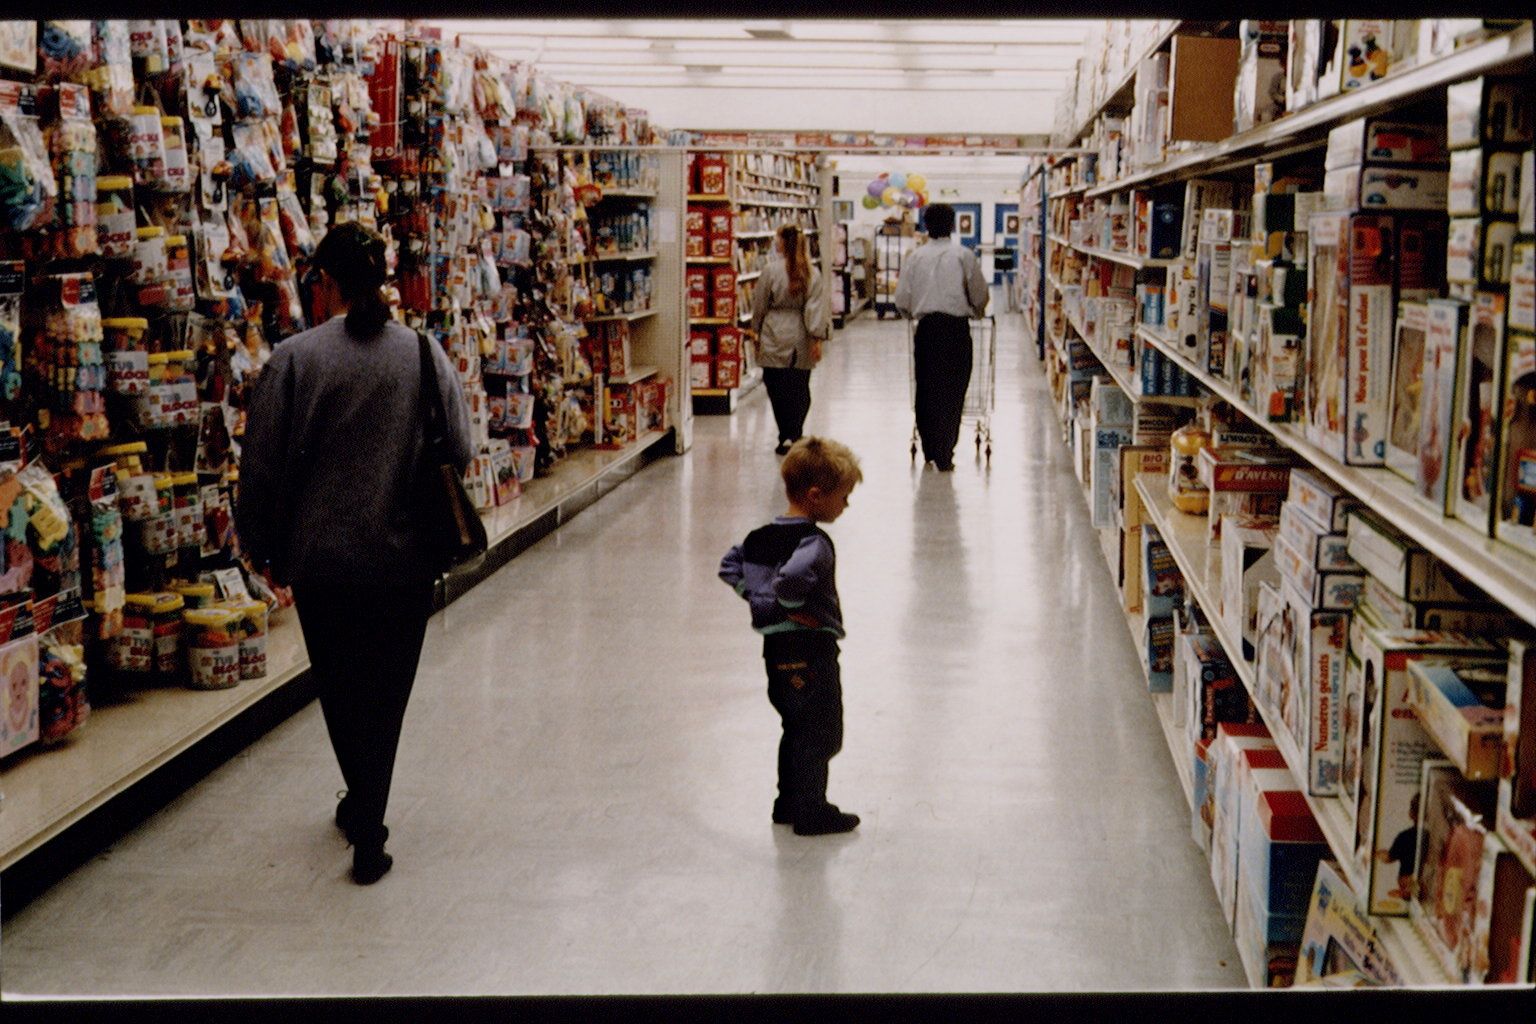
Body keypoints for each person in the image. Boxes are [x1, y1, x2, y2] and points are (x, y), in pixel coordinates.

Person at [236, 222, 473, 885]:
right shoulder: (424, 354)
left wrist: (259, 545)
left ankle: (364, 808)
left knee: (342, 691)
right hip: (405, 559)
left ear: (328, 283)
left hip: (322, 561)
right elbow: (460, 445)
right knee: (387, 694)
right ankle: (369, 816)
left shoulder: (294, 360)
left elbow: (260, 467)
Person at [719, 437, 863, 835]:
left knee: (794, 725)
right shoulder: (813, 542)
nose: (846, 505)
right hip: (811, 647)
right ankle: (811, 810)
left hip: (775, 649)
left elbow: (729, 565)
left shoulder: (759, 536)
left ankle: (787, 801)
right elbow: (793, 579)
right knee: (822, 730)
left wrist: (756, 595)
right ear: (816, 496)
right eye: (843, 496)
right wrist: (791, 604)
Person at [894, 203, 990, 470]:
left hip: (926, 330)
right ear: (953, 225)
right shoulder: (964, 256)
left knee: (926, 387)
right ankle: (946, 449)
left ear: (926, 226)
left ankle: (930, 448)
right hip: (956, 330)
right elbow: (979, 294)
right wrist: (977, 311)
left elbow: (902, 298)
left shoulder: (915, 257)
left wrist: (910, 313)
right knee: (954, 388)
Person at [751, 223, 830, 456]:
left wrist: (756, 330)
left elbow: (759, 304)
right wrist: (816, 337)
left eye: (777, 239)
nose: (775, 243)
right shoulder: (812, 273)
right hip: (800, 335)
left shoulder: (770, 271)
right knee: (799, 385)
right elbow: (815, 308)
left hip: (774, 330)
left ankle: (785, 432)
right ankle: (795, 431)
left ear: (783, 242)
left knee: (775, 384)